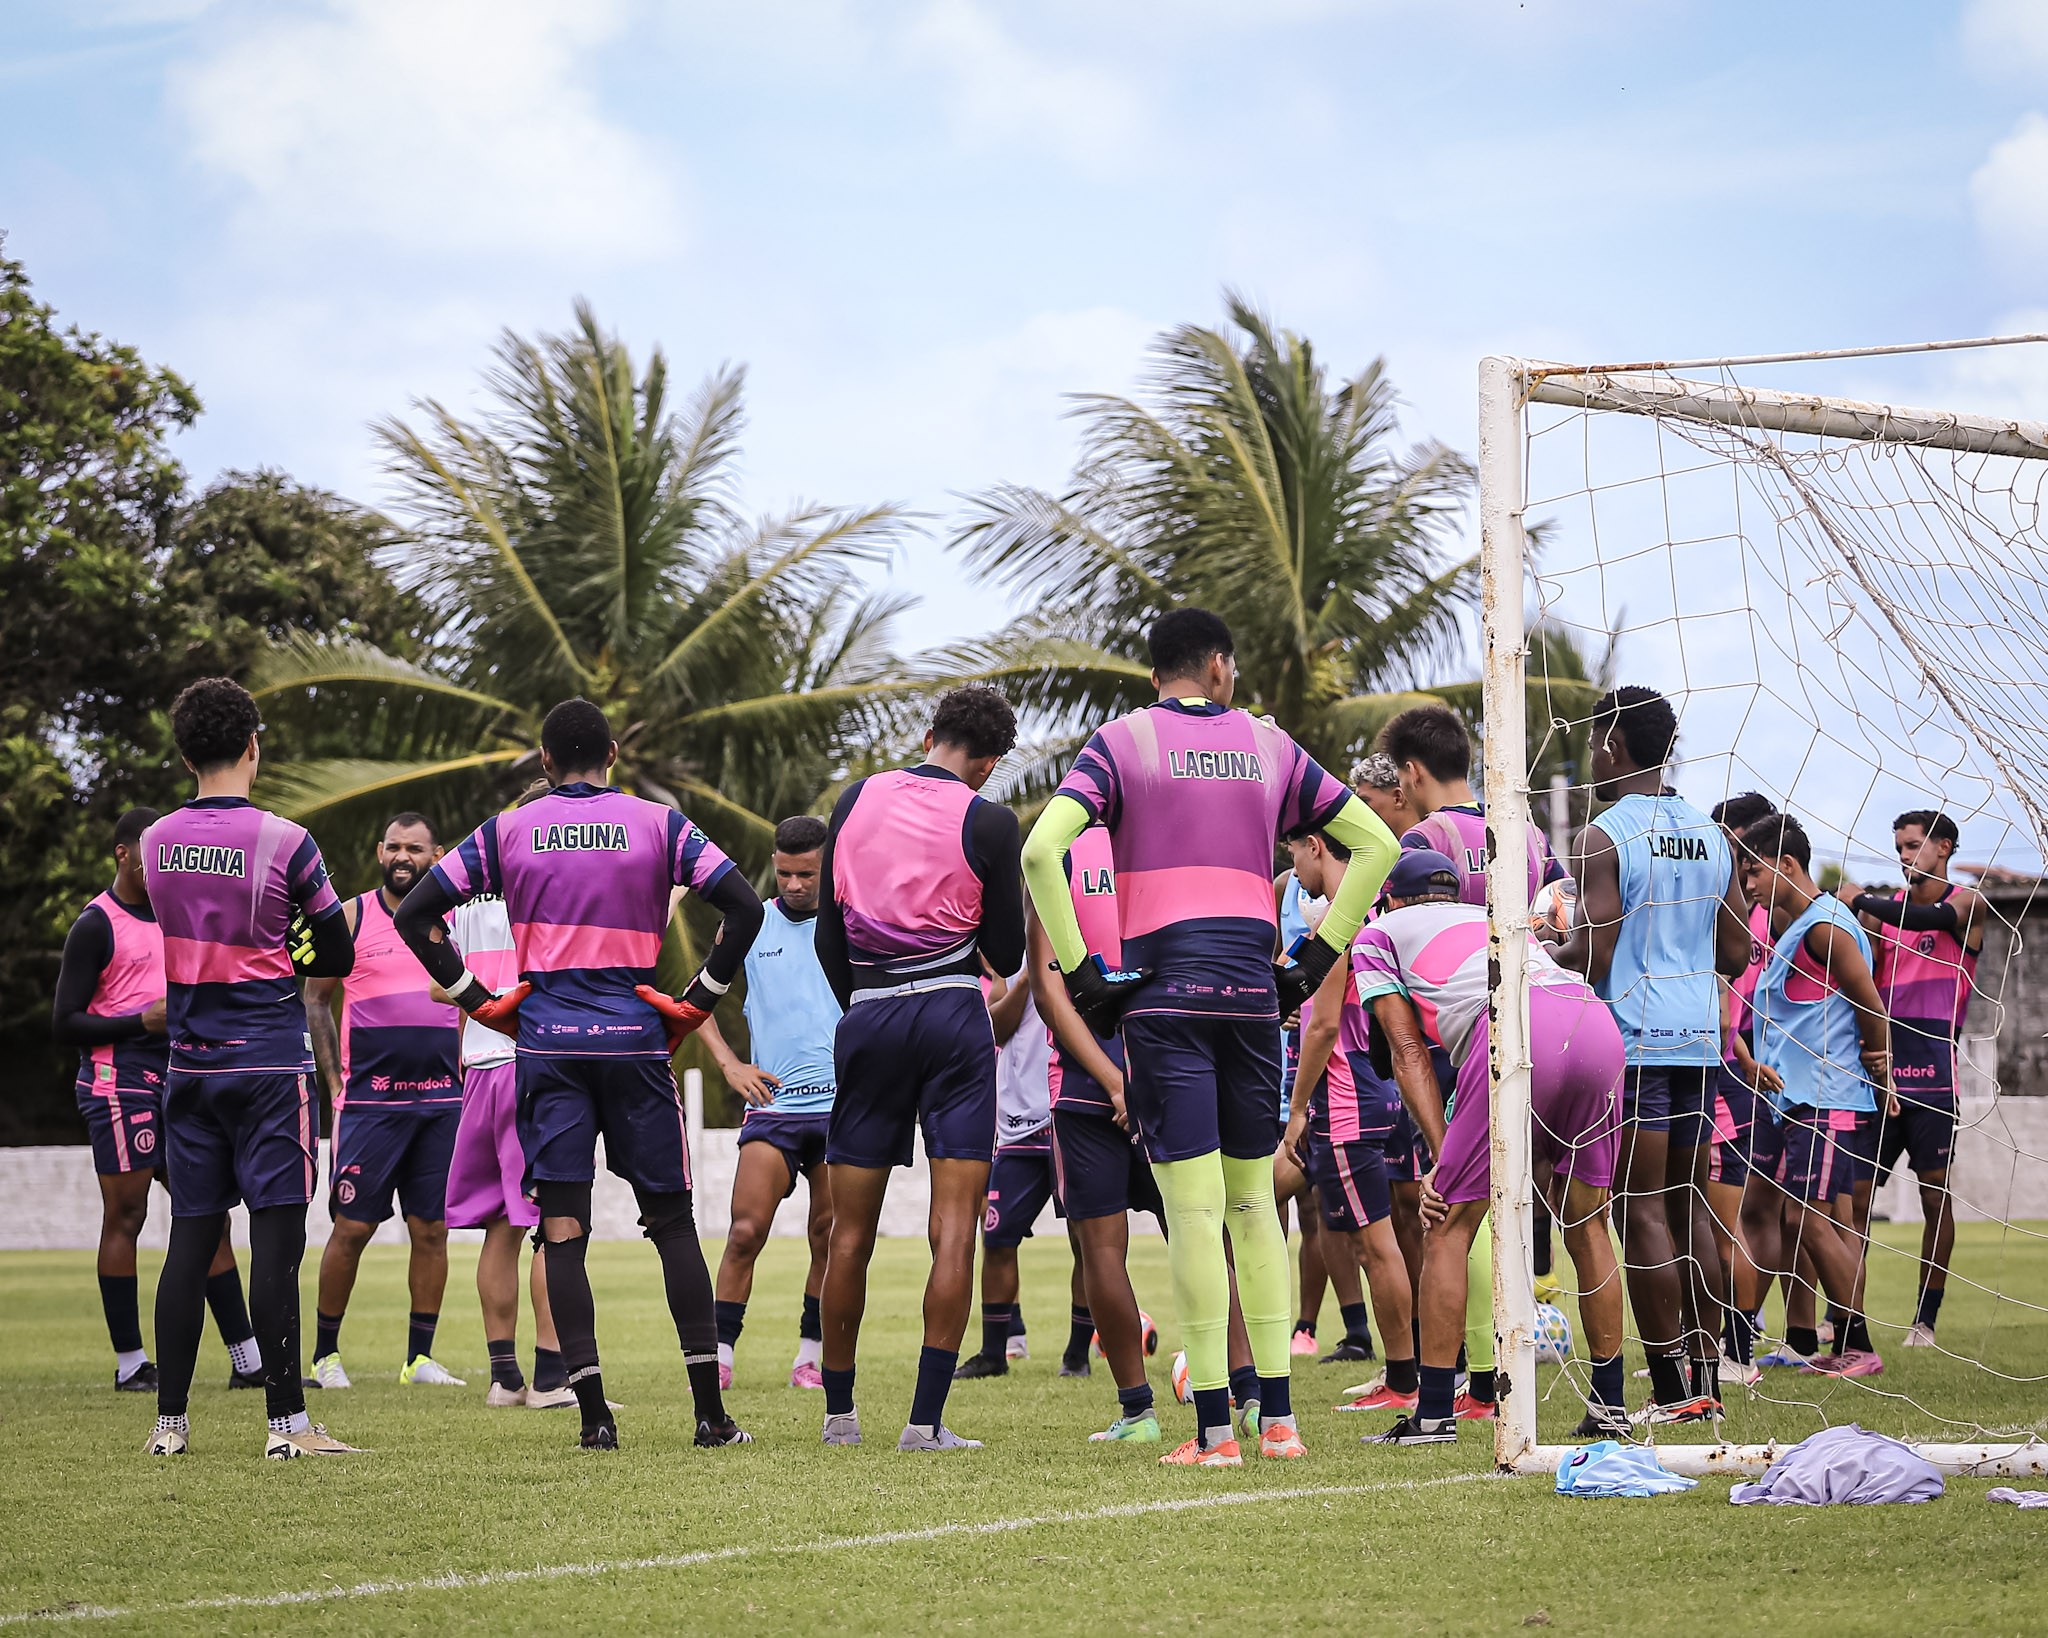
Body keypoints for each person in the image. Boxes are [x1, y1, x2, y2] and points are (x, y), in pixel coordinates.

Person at [1022, 607, 1399, 1468]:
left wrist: (1083, 973)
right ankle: (1282, 1426)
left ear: (1157, 674)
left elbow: (1043, 854)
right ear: (1221, 668)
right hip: (1250, 997)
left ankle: (1215, 1436)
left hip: (1165, 1002)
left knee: (1192, 1213)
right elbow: (1374, 842)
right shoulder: (1269, 746)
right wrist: (1313, 958)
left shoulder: (1121, 743)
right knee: (1253, 1206)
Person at [395, 698, 765, 1451]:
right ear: (615, 755)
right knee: (670, 1223)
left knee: (560, 1230)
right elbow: (744, 907)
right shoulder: (658, 824)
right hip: (633, 1041)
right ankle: (710, 1417)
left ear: (542, 760)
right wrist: (697, 1002)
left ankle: (593, 1420)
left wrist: (482, 1004)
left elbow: (417, 916)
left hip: (548, 1045)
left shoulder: (507, 830)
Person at [142, 677, 359, 1458]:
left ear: (183, 751)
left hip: (190, 1070)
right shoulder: (287, 842)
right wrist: (291, 942)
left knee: (190, 1242)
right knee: (275, 1242)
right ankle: (287, 1426)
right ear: (253, 746)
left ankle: (169, 1425)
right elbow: (337, 951)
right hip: (270, 1065)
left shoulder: (155, 842)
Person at [1351, 849, 1629, 1445]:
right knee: (1590, 1227)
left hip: (1514, 1021)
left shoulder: (1376, 933)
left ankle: (1431, 1414)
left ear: (1392, 899)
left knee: (1447, 1223)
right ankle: (1611, 1406)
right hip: (1593, 1020)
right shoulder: (1486, 915)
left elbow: (1406, 1052)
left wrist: (1439, 1153)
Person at [813, 686, 1025, 1452]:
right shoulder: (990, 821)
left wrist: (865, 1007)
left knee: (847, 1234)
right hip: (950, 1019)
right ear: (991, 762)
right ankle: (924, 1423)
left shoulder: (855, 799)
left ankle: (839, 1418)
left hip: (867, 1013)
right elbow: (1005, 952)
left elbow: (829, 937)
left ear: (929, 733)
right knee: (954, 1229)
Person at [1553, 686, 1750, 1421]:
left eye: (1597, 741)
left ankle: (1668, 1389)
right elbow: (1735, 948)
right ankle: (1708, 1380)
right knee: (1690, 1204)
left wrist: (1543, 942)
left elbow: (1595, 949)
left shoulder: (1603, 834)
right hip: (1700, 1040)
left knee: (1640, 1210)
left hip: (1633, 1040)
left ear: (1614, 745)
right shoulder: (1712, 834)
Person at [53, 807, 263, 1394]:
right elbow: (64, 1023)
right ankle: (130, 1364)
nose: (161, 866)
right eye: (150, 855)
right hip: (118, 1083)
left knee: (207, 1215)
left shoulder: (179, 917)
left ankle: (247, 1361)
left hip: (182, 1079)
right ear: (124, 853)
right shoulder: (96, 924)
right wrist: (137, 1021)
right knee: (128, 1213)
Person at [304, 814, 465, 1391]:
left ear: (436, 854)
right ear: (379, 850)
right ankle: (325, 1357)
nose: (403, 856)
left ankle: (418, 1359)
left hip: (443, 1102)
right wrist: (333, 1083)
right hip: (369, 1104)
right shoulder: (350, 917)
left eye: (415, 849)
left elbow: (474, 1000)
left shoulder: (451, 921)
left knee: (432, 1231)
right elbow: (316, 1000)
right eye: (393, 846)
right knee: (352, 1228)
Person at [1030, 822, 1171, 1443]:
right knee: (1207, 1238)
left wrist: (1113, 1082)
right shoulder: (1170, 845)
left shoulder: (1053, 851)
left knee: (1101, 1254)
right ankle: (1250, 1398)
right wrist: (1137, 1077)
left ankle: (1137, 1412)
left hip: (1088, 1087)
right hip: (1170, 1077)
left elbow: (1046, 986)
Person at [1738, 813, 1889, 1378]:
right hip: (1794, 1101)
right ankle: (1833, 1341)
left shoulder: (1827, 927)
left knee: (1809, 1219)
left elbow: (1871, 1004)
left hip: (1826, 1098)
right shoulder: (1796, 929)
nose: (1748, 884)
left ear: (1788, 865)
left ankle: (1859, 1344)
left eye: (1753, 872)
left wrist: (1877, 1057)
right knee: (1795, 1217)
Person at [1278, 828, 1417, 1413]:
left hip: (1346, 1099)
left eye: (1293, 855)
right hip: (1381, 1092)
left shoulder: (1340, 917)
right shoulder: (1375, 911)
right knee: (1257, 1200)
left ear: (1315, 846)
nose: (1292, 871)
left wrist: (1297, 1109)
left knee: (1375, 1245)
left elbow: (1326, 1027)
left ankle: (1406, 1381)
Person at [699, 816, 839, 1392]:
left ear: (828, 866)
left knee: (829, 1236)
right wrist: (730, 1066)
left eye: (807, 873)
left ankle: (809, 1357)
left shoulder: (852, 926)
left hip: (841, 1110)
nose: (794, 884)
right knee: (743, 1232)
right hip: (775, 1111)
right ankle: (718, 1359)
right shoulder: (750, 924)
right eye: (784, 872)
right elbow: (694, 1002)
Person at [440, 781, 568, 1408]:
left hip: (478, 1067)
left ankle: (503, 1379)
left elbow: (440, 987)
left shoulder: (468, 896)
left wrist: (483, 991)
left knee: (501, 1225)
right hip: (529, 1061)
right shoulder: (546, 886)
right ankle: (550, 1380)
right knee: (553, 1220)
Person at [1841, 810, 1984, 1346]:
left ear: (1943, 848)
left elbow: (1931, 922)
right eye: (1898, 845)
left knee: (1933, 1199)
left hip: (1934, 1085)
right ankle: (1845, 1319)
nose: (1904, 855)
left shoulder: (1966, 906)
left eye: (1914, 845)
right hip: (1879, 1082)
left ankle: (1925, 1320)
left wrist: (1858, 901)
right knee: (1851, 1200)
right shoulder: (1885, 919)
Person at [956, 964, 1093, 1379]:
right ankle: (994, 1354)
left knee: (1086, 1240)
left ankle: (1077, 1354)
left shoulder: (1084, 948)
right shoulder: (1009, 961)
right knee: (996, 1238)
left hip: (1072, 1113)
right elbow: (994, 1030)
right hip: (1019, 1126)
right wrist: (1029, 978)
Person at [1704, 791, 1781, 1384]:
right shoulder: (1738, 908)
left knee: (1723, 1223)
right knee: (1720, 1220)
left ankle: (1739, 1353)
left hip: (1730, 1072)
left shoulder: (1747, 914)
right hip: (1729, 1068)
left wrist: (1741, 1052)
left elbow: (1735, 1007)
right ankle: (1722, 1348)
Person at [1377, 703, 1567, 905]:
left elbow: (1387, 921)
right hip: (1528, 937)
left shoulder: (1424, 838)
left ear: (1413, 772)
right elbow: (1565, 902)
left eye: (1400, 777)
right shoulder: (1531, 835)